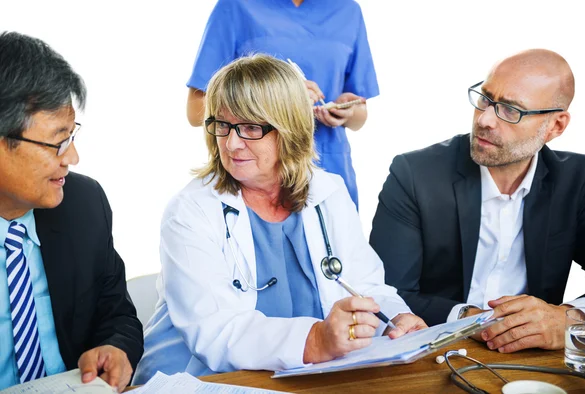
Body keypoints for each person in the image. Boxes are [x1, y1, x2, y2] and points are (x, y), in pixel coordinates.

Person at [133, 54, 425, 383]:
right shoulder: (190, 210)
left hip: (299, 378)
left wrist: (395, 317)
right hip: (198, 382)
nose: (231, 144)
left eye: (250, 127)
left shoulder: (328, 193)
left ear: (289, 129)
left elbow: (366, 285)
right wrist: (316, 339)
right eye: (222, 125)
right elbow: (214, 331)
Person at [370, 49, 585, 354]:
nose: (486, 119)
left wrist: (568, 318)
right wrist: (472, 320)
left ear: (555, 126)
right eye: (486, 98)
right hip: (435, 352)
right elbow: (385, 293)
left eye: (510, 110)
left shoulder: (573, 178)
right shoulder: (414, 174)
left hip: (533, 361)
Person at [0, 32, 143, 392]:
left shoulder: (83, 204)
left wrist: (116, 347)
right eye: (57, 141)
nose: (72, 158)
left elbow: (117, 314)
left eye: (72, 135)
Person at [185, 0, 379, 209]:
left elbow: (360, 116)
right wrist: (284, 97)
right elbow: (196, 111)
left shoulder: (347, 11)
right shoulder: (235, 6)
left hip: (330, 167)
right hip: (257, 181)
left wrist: (347, 111)